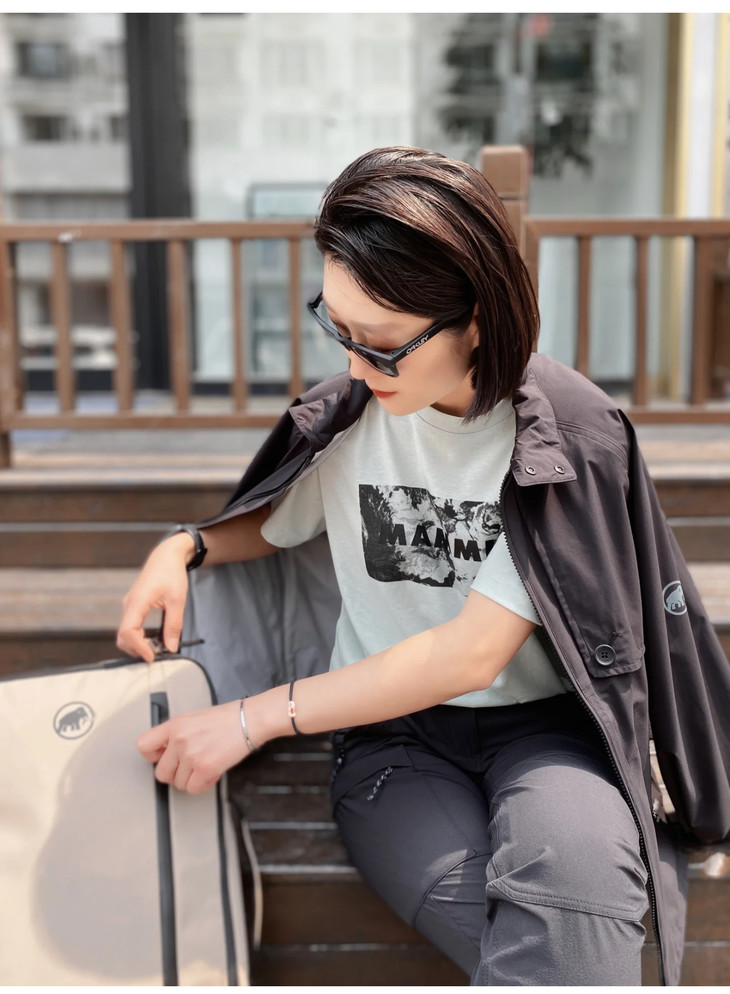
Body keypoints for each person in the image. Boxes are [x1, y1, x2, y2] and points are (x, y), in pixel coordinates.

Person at [117, 146, 730, 987]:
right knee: (569, 951)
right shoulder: (352, 416)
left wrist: (253, 719)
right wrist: (183, 545)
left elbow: (469, 655)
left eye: (381, 345)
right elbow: (278, 519)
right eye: (338, 330)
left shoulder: (565, 439)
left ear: (475, 315)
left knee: (580, 895)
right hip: (389, 742)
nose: (353, 367)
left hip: (550, 732)